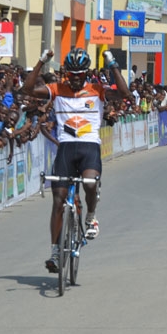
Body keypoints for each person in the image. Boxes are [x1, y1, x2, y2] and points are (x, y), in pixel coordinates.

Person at [22, 47, 130, 273]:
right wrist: (41, 61)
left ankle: (91, 216)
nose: (74, 79)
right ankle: (54, 251)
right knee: (58, 200)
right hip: (65, 149)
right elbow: (27, 90)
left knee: (90, 183)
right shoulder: (57, 89)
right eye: (70, 75)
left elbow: (124, 93)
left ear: (86, 73)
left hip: (89, 146)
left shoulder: (97, 90)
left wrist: (113, 66)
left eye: (79, 75)